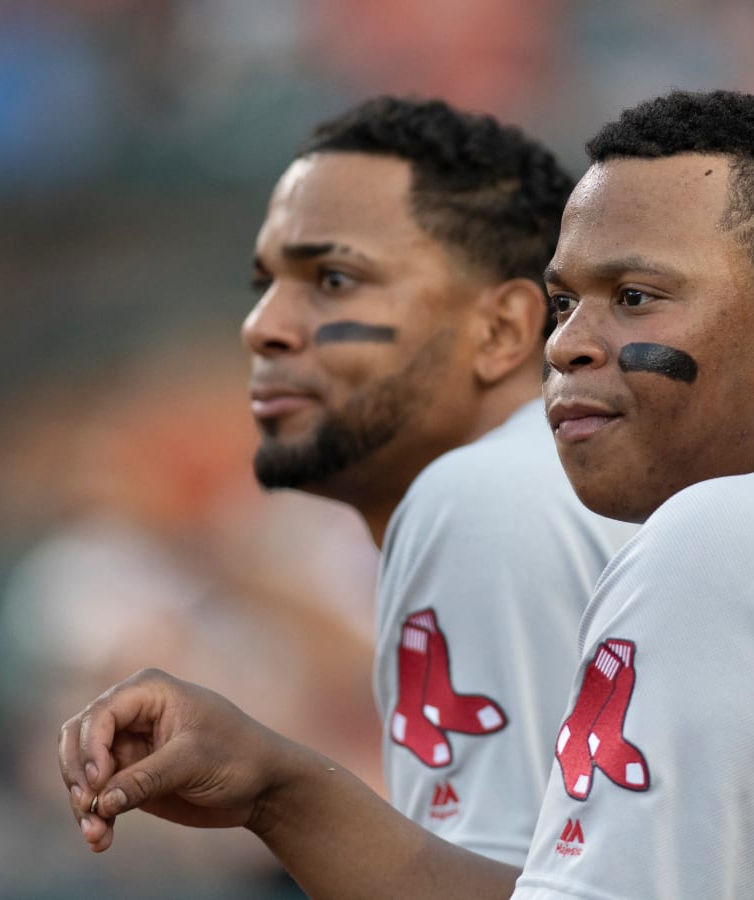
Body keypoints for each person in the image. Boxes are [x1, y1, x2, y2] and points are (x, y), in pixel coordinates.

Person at [60, 90, 754, 898]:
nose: (568, 345)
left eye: (635, 297)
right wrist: (281, 787)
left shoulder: (734, 543)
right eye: (565, 300)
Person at [244, 95, 636, 864]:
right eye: (264, 281)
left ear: (500, 332)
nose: (263, 324)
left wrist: (273, 791)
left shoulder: (485, 497)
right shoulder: (553, 479)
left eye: (332, 280)